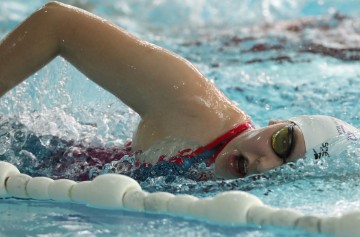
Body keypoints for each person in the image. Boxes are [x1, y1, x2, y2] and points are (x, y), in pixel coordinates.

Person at [0, 2, 357, 181]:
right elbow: (58, 23)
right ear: (277, 121)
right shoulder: (196, 111)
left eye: (286, 170)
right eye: (283, 143)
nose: (265, 165)